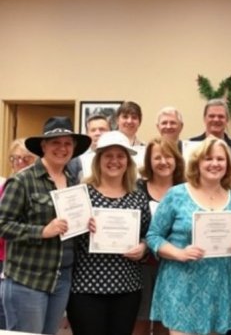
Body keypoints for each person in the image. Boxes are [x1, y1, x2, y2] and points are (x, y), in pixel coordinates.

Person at [146, 137, 231, 334]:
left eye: (220, 159)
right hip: (182, 285)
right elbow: (153, 236)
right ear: (197, 163)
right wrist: (179, 253)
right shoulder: (177, 194)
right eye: (208, 159)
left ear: (228, 164)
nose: (214, 164)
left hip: (220, 286)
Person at [0, 117, 91, 334]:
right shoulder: (22, 181)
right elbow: (2, 225)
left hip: (61, 279)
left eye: (67, 143)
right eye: (55, 143)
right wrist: (41, 231)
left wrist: (87, 224)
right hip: (27, 280)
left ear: (74, 148)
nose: (62, 148)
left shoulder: (73, 182)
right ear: (43, 146)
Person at [66, 130, 151, 334]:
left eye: (120, 156)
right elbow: (66, 237)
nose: (115, 161)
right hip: (86, 287)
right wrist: (80, 226)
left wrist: (144, 248)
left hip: (127, 288)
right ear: (98, 160)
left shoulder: (138, 196)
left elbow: (148, 234)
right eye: (108, 156)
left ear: (128, 162)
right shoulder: (81, 193)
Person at [133, 137, 185, 335]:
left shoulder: (186, 189)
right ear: (149, 161)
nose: (163, 162)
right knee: (140, 324)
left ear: (176, 159)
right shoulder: (137, 189)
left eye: (168, 156)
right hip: (143, 268)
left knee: (167, 324)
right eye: (157, 157)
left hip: (175, 268)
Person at [0, 138, 38, 330]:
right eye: (15, 158)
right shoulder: (4, 185)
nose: (20, 163)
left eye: (27, 158)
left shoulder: (38, 188)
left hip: (20, 262)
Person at [190, 99, 231, 182]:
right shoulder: (192, 144)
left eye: (221, 116)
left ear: (227, 120)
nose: (216, 119)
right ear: (204, 118)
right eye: (211, 116)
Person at [68, 114, 111, 181]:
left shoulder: (119, 157)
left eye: (102, 129)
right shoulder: (77, 160)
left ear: (110, 132)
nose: (97, 133)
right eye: (93, 130)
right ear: (87, 134)